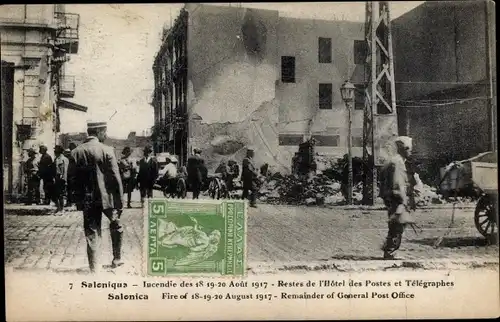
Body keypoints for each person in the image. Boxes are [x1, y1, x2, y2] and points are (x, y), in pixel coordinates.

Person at [71, 121, 124, 273]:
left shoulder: (76, 152)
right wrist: (119, 201)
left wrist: (77, 200)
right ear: (99, 132)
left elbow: (72, 180)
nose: (106, 135)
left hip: (88, 199)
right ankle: (117, 258)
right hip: (108, 199)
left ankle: (95, 269)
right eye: (104, 132)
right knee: (117, 224)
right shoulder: (107, 150)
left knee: (92, 232)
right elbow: (115, 177)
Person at [379, 136, 418, 260]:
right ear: (403, 149)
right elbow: (398, 183)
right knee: (397, 225)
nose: (410, 151)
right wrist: (403, 199)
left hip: (392, 197)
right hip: (397, 198)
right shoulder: (398, 163)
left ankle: (389, 249)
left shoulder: (395, 160)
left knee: (397, 223)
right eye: (409, 149)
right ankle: (390, 251)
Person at [53, 145, 69, 213]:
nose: (54, 151)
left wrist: (64, 179)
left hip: (61, 178)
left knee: (61, 194)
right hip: (56, 178)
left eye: (56, 150)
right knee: (56, 194)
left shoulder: (64, 159)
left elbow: (65, 170)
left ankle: (61, 208)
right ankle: (58, 207)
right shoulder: (56, 159)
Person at [65, 143, 77, 207]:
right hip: (72, 173)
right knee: (71, 189)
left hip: (72, 173)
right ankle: (72, 201)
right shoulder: (74, 153)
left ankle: (70, 202)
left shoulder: (73, 154)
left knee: (70, 188)